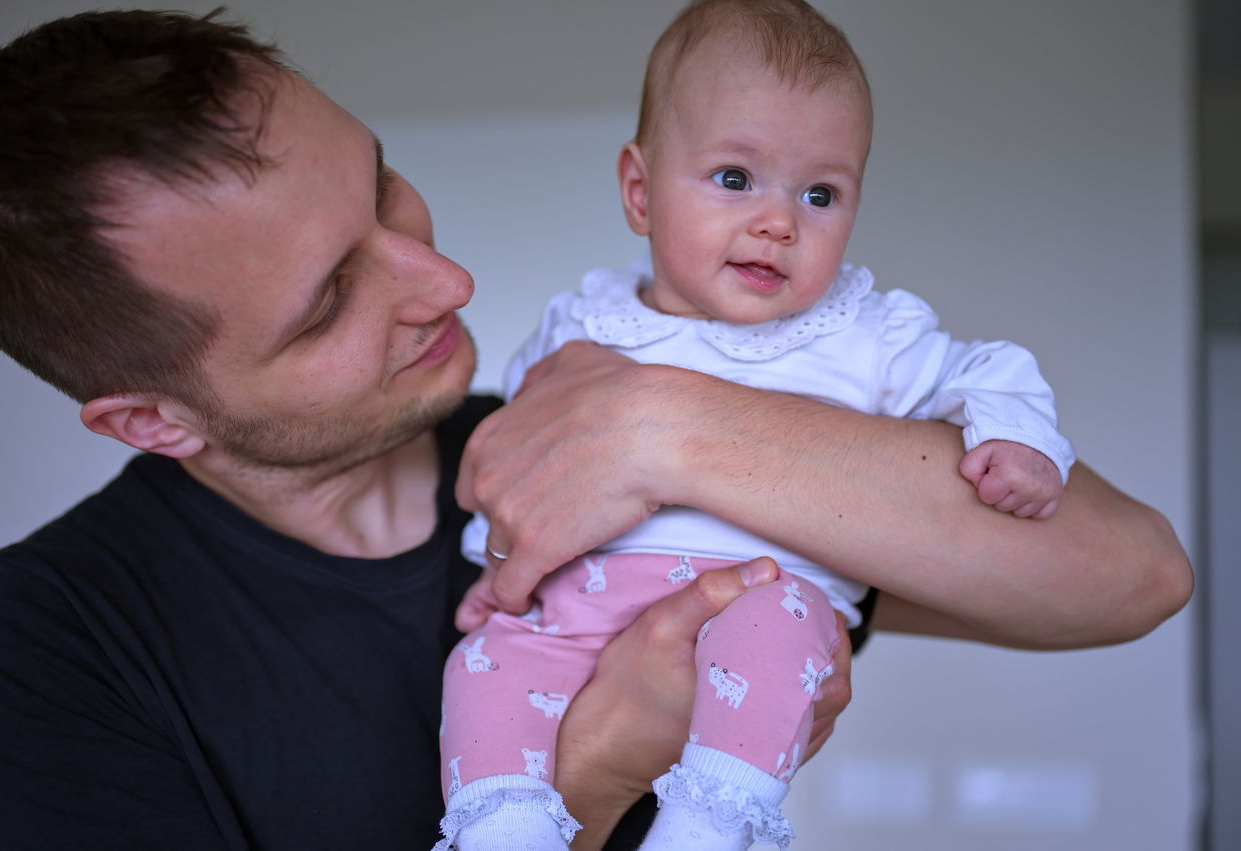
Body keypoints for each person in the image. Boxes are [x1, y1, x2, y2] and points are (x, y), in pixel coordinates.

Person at [0, 7, 1189, 851]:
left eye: (385, 182)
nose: (438, 278)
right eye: (332, 295)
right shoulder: (44, 652)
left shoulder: (571, 437)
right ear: (152, 418)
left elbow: (1129, 573)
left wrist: (671, 425)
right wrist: (590, 775)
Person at [443, 2, 1073, 849]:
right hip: (576, 608)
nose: (780, 221)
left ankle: (708, 823)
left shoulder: (863, 332)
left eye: (821, 193)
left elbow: (987, 369)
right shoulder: (582, 324)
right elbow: (525, 455)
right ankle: (505, 823)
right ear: (639, 190)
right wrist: (498, 566)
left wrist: (1019, 440)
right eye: (736, 177)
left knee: (778, 628)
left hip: (759, 593)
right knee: (484, 660)